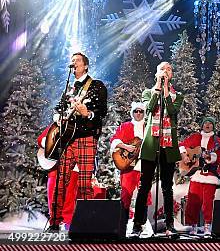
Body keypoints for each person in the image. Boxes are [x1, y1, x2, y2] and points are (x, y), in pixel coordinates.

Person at [48, 52, 107, 231]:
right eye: (72, 61)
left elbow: (102, 112)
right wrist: (58, 117)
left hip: (86, 138)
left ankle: (86, 223)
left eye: (77, 61)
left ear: (85, 66)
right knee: (60, 181)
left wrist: (87, 113)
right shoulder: (69, 88)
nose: (73, 63)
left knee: (84, 183)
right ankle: (55, 222)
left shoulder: (96, 86)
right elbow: (58, 109)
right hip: (67, 140)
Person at [131, 61, 184, 237]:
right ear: (156, 74)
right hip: (150, 146)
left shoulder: (179, 96)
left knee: (167, 187)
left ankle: (170, 225)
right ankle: (137, 226)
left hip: (168, 146)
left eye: (169, 69)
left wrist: (166, 90)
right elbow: (150, 108)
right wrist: (158, 88)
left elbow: (171, 110)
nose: (165, 71)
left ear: (172, 75)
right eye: (162, 68)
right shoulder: (147, 93)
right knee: (144, 186)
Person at [179, 117, 220, 237]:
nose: (207, 125)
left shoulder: (217, 141)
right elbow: (182, 145)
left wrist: (209, 156)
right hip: (196, 174)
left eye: (210, 123)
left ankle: (207, 226)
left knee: (207, 202)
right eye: (205, 123)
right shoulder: (195, 137)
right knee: (192, 201)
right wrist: (185, 156)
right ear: (202, 125)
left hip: (209, 175)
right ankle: (192, 225)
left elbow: (218, 157)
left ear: (213, 126)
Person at [110, 102, 149, 220]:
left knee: (146, 195)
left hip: (144, 165)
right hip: (128, 165)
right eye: (136, 111)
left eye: (141, 111)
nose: (138, 113)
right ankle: (123, 222)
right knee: (126, 194)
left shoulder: (148, 127)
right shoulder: (125, 126)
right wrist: (126, 147)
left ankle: (141, 223)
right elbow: (114, 140)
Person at [37, 125, 79, 231]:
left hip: (72, 167)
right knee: (53, 196)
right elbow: (40, 139)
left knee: (69, 197)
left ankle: (67, 224)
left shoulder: (82, 126)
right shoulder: (57, 124)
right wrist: (51, 145)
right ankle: (54, 224)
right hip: (55, 167)